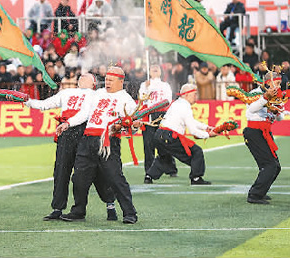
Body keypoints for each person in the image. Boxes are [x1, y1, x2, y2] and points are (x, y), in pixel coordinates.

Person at [25, 73, 117, 221]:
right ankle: (57, 208)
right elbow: (44, 104)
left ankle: (110, 203)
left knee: (93, 171)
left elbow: (86, 114)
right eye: (81, 76)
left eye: (88, 76)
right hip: (66, 133)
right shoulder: (66, 92)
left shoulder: (96, 95)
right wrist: (26, 100)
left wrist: (69, 123)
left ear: (94, 83)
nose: (83, 76)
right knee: (61, 169)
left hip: (85, 131)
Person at [59, 66, 139, 224]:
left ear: (120, 81)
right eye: (106, 79)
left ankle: (130, 213)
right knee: (79, 178)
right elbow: (84, 114)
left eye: (111, 80)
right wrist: (68, 123)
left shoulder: (126, 100)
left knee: (115, 178)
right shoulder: (98, 94)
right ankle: (78, 211)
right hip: (87, 139)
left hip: (107, 142)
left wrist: (132, 125)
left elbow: (133, 125)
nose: (107, 82)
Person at [145, 83, 216, 185]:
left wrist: (206, 127)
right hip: (170, 136)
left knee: (164, 157)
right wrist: (208, 135)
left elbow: (191, 121)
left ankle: (149, 176)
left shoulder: (177, 104)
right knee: (196, 152)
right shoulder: (185, 106)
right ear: (186, 95)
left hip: (159, 134)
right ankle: (196, 178)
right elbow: (192, 130)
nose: (196, 96)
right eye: (194, 94)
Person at [243, 71, 284, 204]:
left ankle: (261, 191)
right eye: (277, 83)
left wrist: (277, 110)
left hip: (265, 132)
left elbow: (280, 118)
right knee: (269, 165)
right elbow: (251, 109)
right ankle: (255, 195)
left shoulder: (277, 96)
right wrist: (265, 98)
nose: (279, 86)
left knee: (275, 166)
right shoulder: (255, 93)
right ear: (268, 82)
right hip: (254, 131)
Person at [138, 65, 177, 183]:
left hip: (162, 115)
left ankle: (171, 168)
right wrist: (146, 88)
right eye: (152, 68)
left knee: (164, 142)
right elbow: (141, 99)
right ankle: (149, 170)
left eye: (157, 68)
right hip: (148, 116)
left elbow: (168, 100)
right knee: (148, 144)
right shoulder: (144, 84)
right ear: (149, 71)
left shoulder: (165, 85)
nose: (155, 69)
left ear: (160, 72)